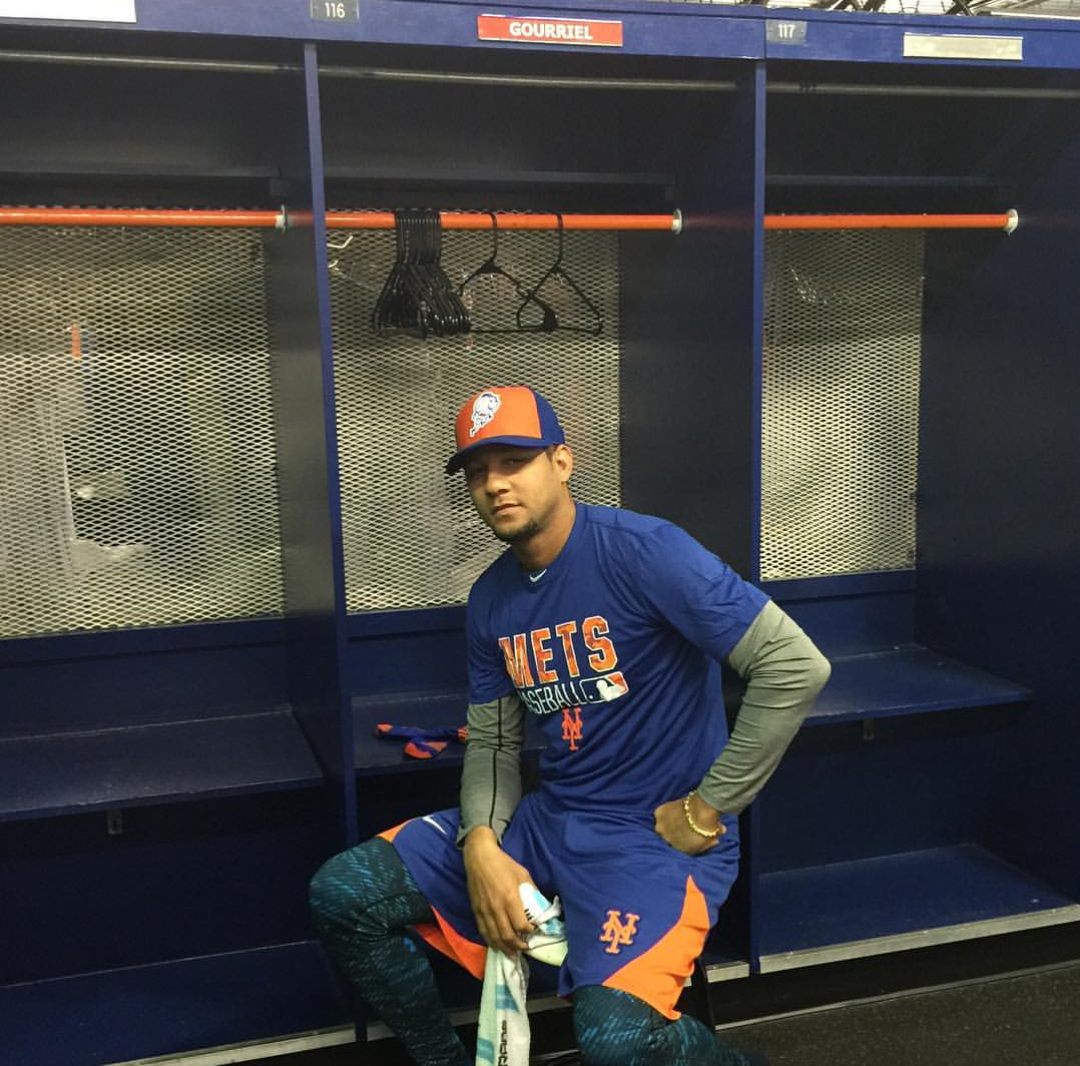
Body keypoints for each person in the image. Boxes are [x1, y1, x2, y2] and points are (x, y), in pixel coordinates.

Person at [310, 385, 831, 1066]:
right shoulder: (491, 598)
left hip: (651, 839)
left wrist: (711, 806)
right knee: (344, 894)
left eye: (514, 462)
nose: (495, 485)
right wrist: (481, 845)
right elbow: (494, 742)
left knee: (617, 1042)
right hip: (551, 821)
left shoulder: (646, 551)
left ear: (561, 462)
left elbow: (794, 665)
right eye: (477, 472)